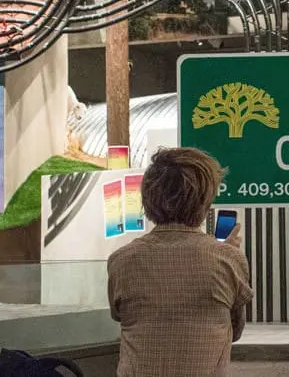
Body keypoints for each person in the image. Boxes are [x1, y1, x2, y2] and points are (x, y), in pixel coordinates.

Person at [107, 147, 254, 377]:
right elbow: (234, 331)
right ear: (204, 202)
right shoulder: (228, 259)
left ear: (147, 199)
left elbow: (119, 316)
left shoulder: (121, 260)